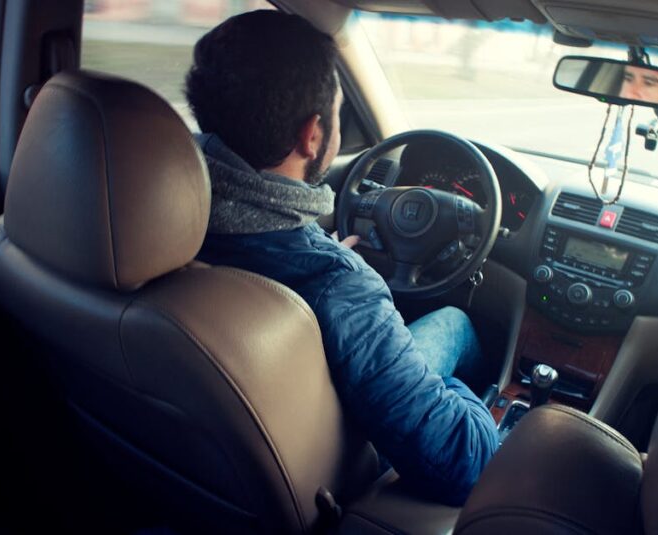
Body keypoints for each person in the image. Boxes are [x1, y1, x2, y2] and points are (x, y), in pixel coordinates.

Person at [184, 10, 499, 505]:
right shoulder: (339, 287)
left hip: (209, 467)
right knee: (456, 323)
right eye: (335, 111)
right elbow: (464, 463)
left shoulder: (165, 215)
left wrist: (332, 257)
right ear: (313, 134)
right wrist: (466, 398)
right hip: (340, 465)